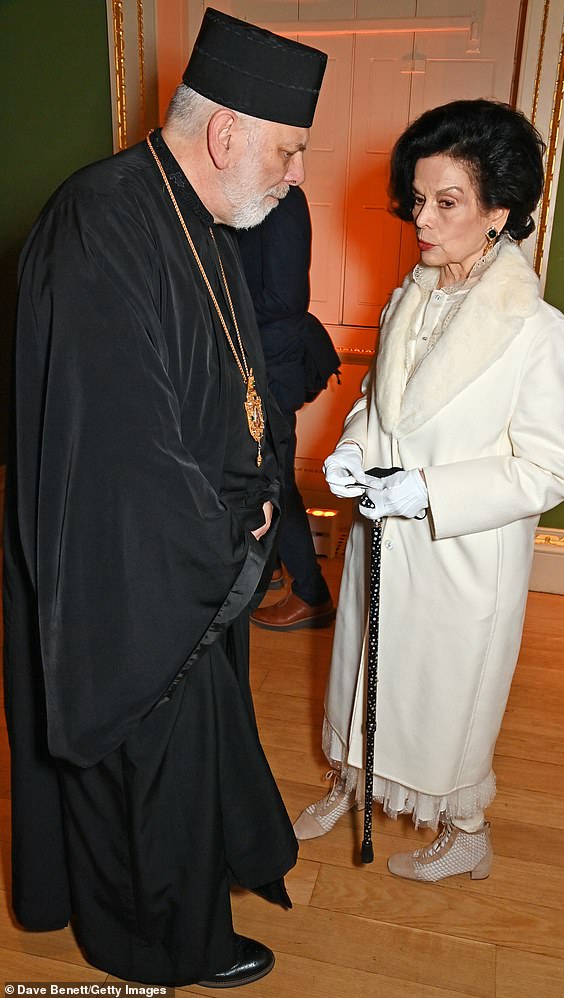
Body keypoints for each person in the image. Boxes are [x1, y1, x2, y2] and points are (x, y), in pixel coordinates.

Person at [3, 7, 326, 987]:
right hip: (135, 583)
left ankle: (186, 898)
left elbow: (238, 382)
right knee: (144, 773)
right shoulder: (100, 221)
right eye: (290, 148)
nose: (298, 171)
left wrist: (261, 488)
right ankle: (151, 942)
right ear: (227, 134)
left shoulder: (201, 213)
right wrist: (233, 532)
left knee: (188, 766)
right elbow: (115, 454)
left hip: (200, 553)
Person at [293, 99, 564, 882]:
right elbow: (379, 406)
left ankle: (467, 829)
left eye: (446, 202)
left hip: (460, 555)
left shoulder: (539, 333)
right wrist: (356, 450)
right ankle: (349, 781)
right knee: (361, 668)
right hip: (382, 538)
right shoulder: (408, 298)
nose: (421, 218)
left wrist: (424, 490)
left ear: (501, 211)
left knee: (446, 698)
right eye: (417, 198)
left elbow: (551, 469)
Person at [237, 185, 337, 630]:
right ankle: (270, 570)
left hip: (272, 368)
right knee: (262, 474)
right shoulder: (248, 196)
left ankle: (310, 592)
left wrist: (211, 302)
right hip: (253, 362)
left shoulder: (282, 201)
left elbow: (284, 299)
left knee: (277, 480)